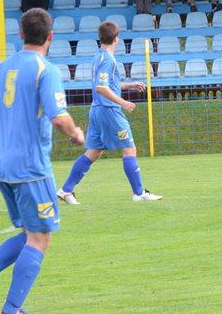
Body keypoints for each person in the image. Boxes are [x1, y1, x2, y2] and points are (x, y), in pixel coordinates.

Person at [0, 8, 86, 314]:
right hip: (31, 167)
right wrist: (76, 133)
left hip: (2, 167)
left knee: (30, 232)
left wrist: (2, 132)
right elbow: (59, 117)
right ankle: (11, 312)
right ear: (50, 37)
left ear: (20, 34)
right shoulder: (46, 69)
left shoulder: (0, 68)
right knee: (41, 237)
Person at [56, 21, 161, 205]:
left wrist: (128, 85)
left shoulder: (99, 56)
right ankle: (139, 193)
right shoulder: (108, 60)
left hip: (97, 110)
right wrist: (123, 102)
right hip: (109, 110)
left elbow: (107, 84)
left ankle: (65, 190)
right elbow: (101, 87)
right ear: (116, 38)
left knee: (94, 152)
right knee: (129, 148)